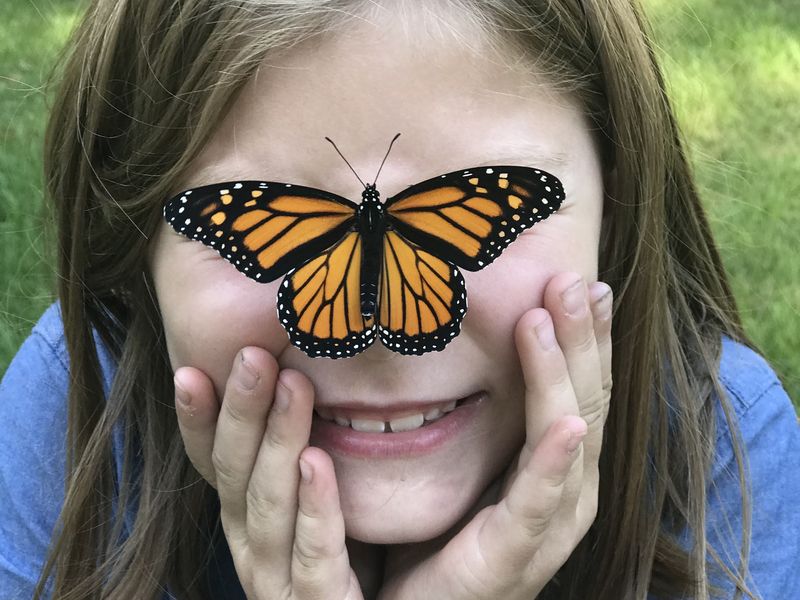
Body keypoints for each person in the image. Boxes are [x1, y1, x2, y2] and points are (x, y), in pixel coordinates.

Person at [1, 0, 798, 598]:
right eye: (253, 193)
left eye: (472, 188)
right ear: (136, 242)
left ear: (614, 207)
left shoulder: (722, 441)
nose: (379, 341)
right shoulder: (69, 414)